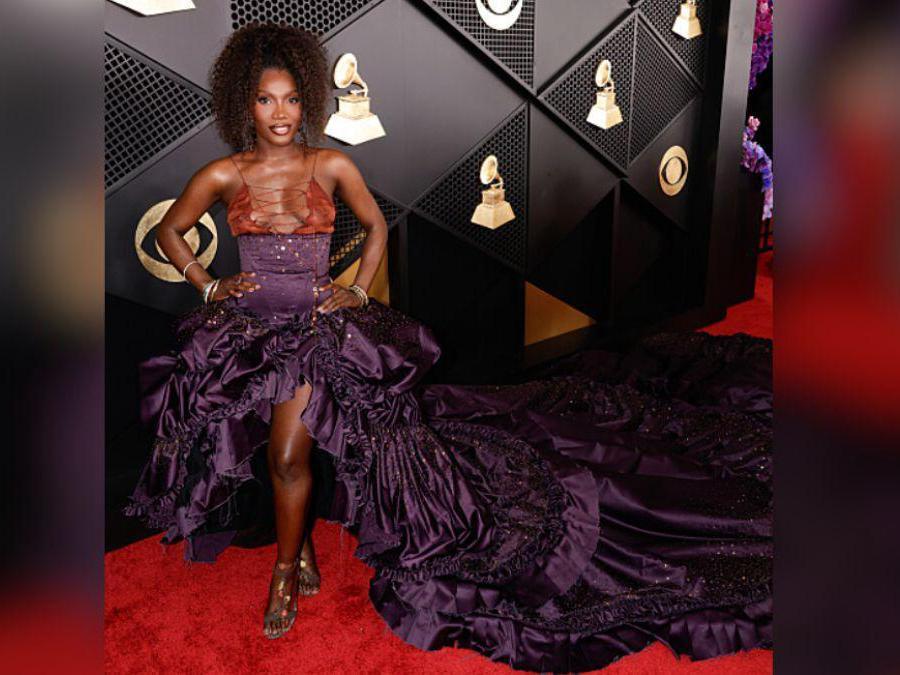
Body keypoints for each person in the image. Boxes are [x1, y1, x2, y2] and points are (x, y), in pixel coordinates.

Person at [126, 23, 772, 670]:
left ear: (308, 101)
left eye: (292, 99)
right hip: (250, 333)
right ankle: (303, 547)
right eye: (267, 99)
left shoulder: (331, 165)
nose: (280, 113)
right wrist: (210, 286)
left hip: (318, 330)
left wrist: (356, 290)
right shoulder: (224, 173)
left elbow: (375, 226)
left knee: (290, 452)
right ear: (244, 102)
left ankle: (286, 567)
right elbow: (171, 232)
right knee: (269, 447)